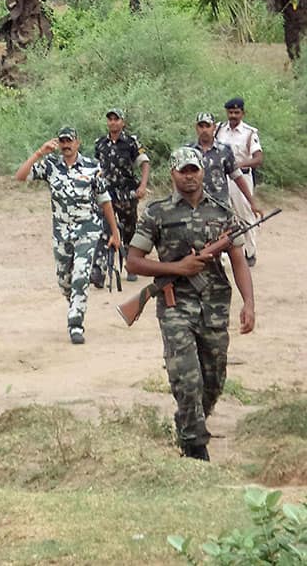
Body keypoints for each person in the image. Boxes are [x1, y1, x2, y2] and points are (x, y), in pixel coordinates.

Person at [125, 147, 254, 461]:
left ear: (202, 172)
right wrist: (177, 268)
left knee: (213, 378)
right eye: (183, 170)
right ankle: (196, 447)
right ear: (172, 173)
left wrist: (249, 303)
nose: (190, 176)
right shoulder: (157, 213)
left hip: (214, 306)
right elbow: (133, 262)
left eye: (194, 170)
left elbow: (238, 260)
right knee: (187, 377)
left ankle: (188, 423)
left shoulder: (222, 212)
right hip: (174, 305)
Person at [15, 127, 121, 344]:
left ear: (78, 143)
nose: (66, 145)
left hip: (88, 229)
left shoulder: (92, 167)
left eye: (69, 141)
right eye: (62, 141)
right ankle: (74, 303)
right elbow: (20, 176)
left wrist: (115, 232)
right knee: (65, 281)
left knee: (81, 275)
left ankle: (76, 324)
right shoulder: (51, 166)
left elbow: (104, 199)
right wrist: (39, 153)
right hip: (62, 232)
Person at [90, 108, 149, 285]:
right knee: (104, 230)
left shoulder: (131, 142)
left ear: (122, 122)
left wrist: (143, 186)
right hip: (105, 194)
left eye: (116, 119)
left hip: (126, 194)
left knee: (129, 230)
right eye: (110, 119)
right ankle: (99, 270)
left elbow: (144, 163)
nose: (113, 122)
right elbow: (95, 167)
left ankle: (131, 265)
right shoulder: (100, 143)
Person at [214, 97, 264, 266]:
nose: (233, 115)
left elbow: (258, 159)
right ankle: (222, 254)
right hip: (221, 178)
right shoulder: (219, 129)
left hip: (241, 177)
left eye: (236, 112)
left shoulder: (249, 133)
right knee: (222, 215)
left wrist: (236, 165)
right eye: (230, 112)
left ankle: (250, 252)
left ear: (243, 113)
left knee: (244, 215)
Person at [188, 112, 261, 216]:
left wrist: (252, 203)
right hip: (194, 207)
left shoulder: (224, 151)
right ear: (196, 128)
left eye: (207, 126)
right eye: (201, 126)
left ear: (214, 127)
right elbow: (179, 178)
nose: (204, 130)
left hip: (219, 208)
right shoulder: (188, 151)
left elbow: (238, 178)